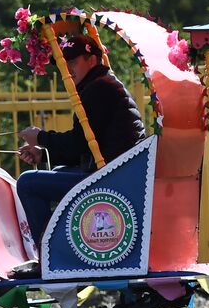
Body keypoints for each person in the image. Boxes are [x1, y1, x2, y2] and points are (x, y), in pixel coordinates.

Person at [14, 34, 146, 267]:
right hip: (113, 174)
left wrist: (41, 137)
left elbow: (78, 144)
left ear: (92, 60)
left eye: (73, 62)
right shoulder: (100, 84)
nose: (68, 69)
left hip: (111, 181)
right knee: (58, 170)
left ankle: (50, 257)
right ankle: (62, 248)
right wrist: (43, 152)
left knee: (27, 183)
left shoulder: (99, 88)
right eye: (65, 64)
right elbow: (84, 148)